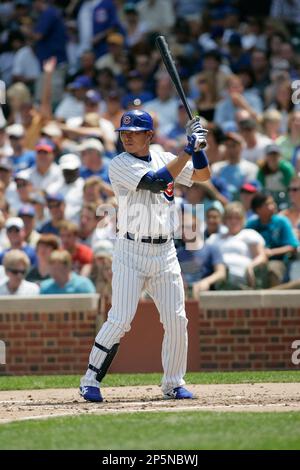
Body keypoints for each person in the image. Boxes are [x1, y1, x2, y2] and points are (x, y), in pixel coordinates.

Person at [80, 109, 210, 402]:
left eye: (134, 132)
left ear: (149, 135)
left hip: (165, 252)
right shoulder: (119, 164)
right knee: (120, 319)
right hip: (131, 250)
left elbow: (203, 175)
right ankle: (90, 380)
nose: (127, 137)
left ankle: (173, 382)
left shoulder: (166, 156)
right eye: (124, 133)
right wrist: (188, 149)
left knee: (177, 319)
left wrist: (200, 149)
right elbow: (155, 181)